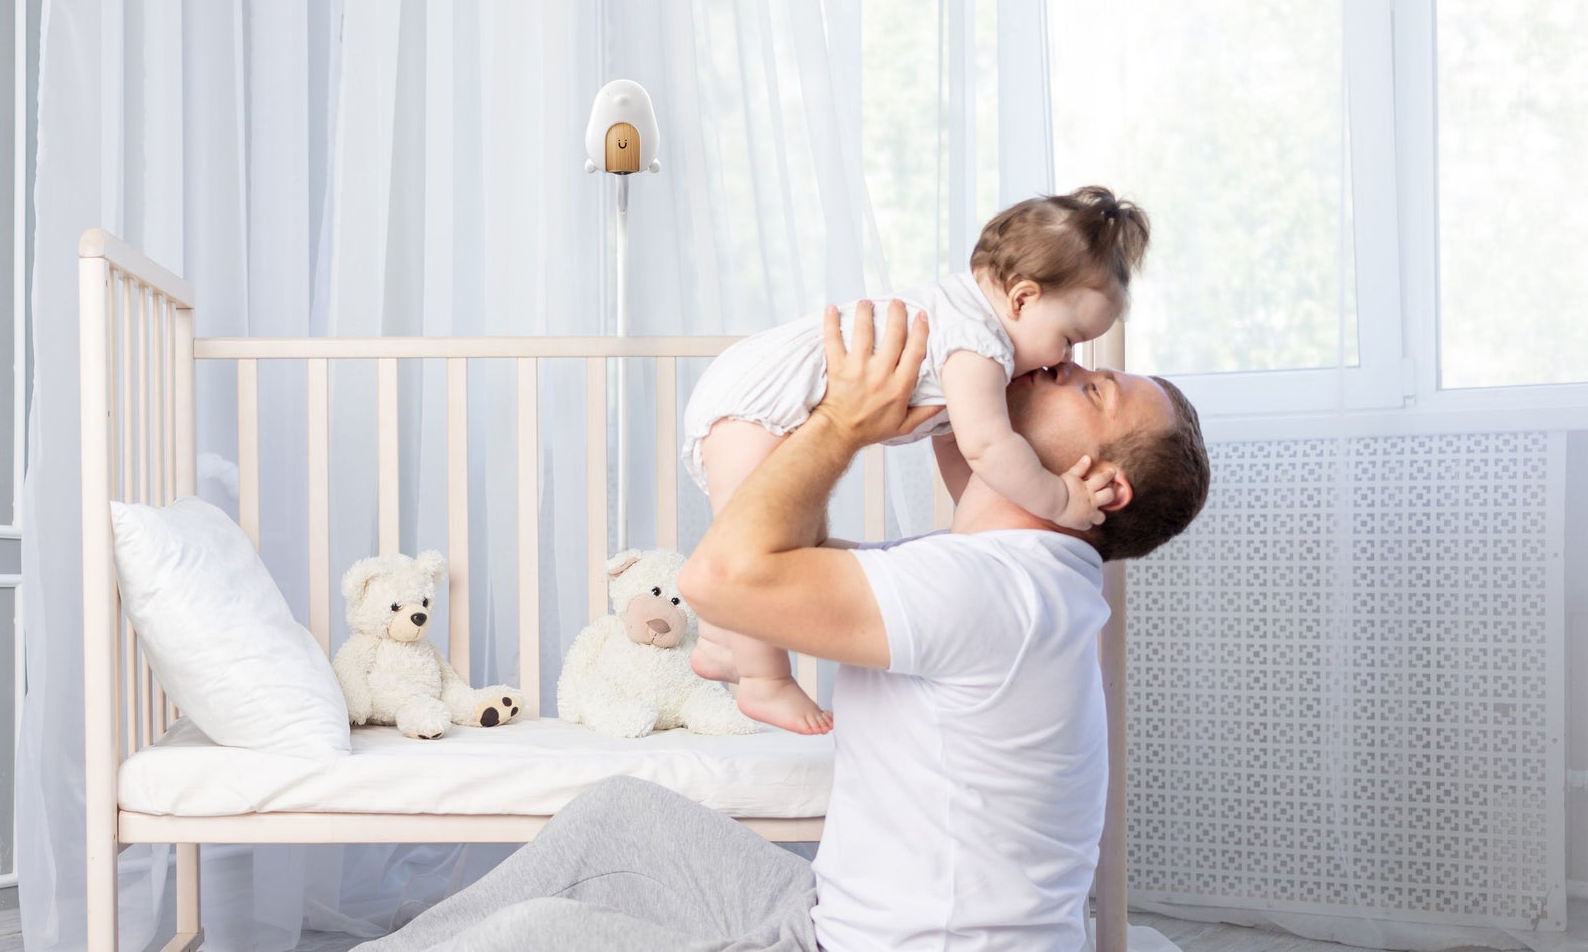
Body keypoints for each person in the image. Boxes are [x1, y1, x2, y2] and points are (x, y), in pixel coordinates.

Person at [355, 297, 1211, 952]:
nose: (1060, 367)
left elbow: (721, 576)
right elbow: (776, 554)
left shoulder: (995, 590)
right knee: (620, 816)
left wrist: (843, 421)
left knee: (532, 938)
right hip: (827, 922)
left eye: (1090, 387)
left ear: (1101, 482)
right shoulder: (1003, 576)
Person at [681, 186, 1152, 734]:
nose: (1065, 362)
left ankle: (720, 641)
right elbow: (987, 445)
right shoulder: (978, 344)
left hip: (753, 403)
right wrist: (1059, 497)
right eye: (1069, 339)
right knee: (766, 542)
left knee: (781, 539)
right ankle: (766, 682)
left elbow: (953, 443)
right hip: (756, 406)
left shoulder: (973, 339)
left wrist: (970, 532)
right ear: (1021, 299)